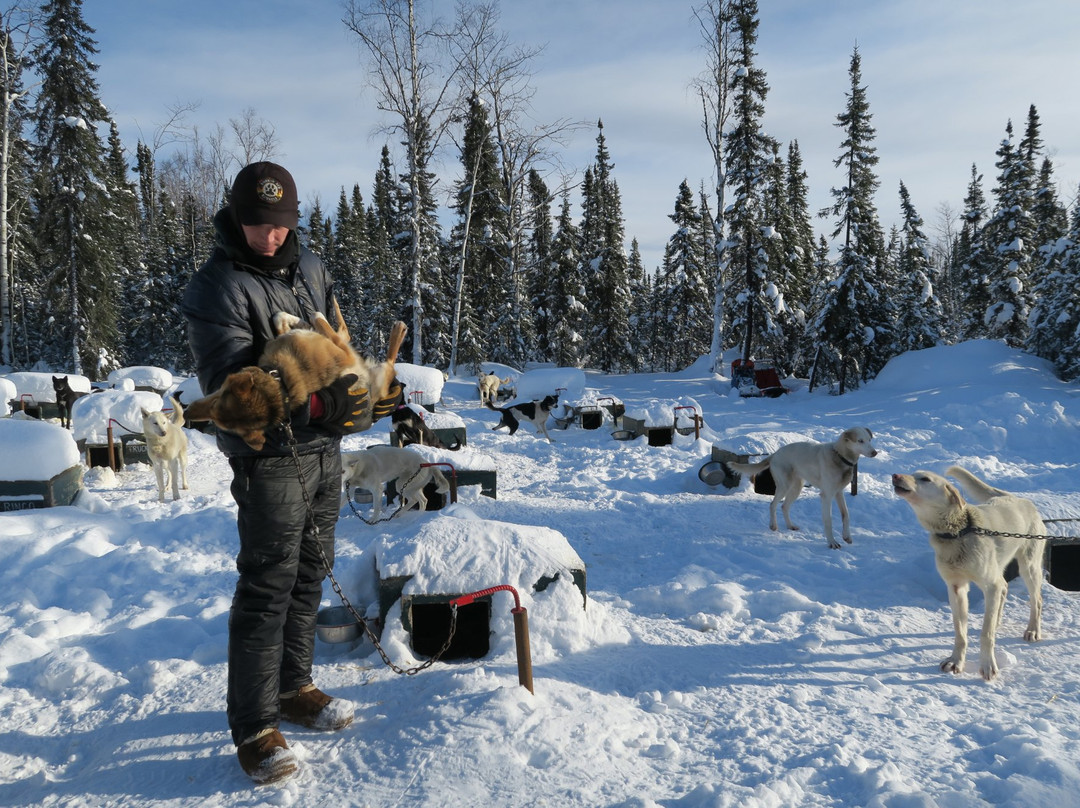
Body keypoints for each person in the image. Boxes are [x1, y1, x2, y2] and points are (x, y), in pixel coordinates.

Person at [182, 161, 400, 785]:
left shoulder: (310, 270)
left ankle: (295, 685)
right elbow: (229, 393)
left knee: (309, 575)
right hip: (268, 461)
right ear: (235, 216)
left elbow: (337, 351)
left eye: (278, 224)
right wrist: (315, 405)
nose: (268, 236)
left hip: (323, 453)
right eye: (256, 223)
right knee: (267, 588)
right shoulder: (216, 287)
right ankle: (253, 726)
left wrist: (366, 389)